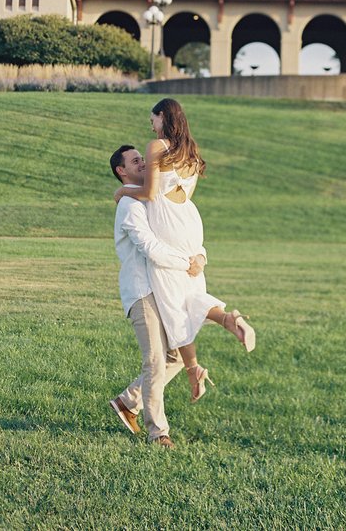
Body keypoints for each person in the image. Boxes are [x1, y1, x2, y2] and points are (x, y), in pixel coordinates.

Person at [114, 97, 255, 403]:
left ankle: (208, 347)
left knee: (175, 305)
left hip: (168, 228)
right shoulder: (191, 151)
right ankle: (222, 329)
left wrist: (122, 190)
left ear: (163, 116)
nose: (151, 127)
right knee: (189, 296)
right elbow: (182, 195)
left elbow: (150, 192)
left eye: (152, 120)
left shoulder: (157, 147)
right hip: (189, 223)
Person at [109, 143, 205, 449]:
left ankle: (129, 401)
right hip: (142, 292)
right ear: (121, 171)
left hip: (164, 287)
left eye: (142, 158)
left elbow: (179, 232)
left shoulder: (150, 200)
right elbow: (150, 248)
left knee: (174, 355)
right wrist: (186, 263)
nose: (143, 163)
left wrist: (200, 256)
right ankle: (158, 432)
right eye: (135, 161)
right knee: (154, 360)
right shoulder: (129, 205)